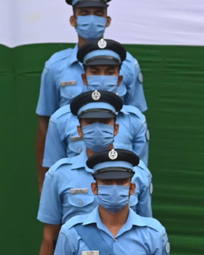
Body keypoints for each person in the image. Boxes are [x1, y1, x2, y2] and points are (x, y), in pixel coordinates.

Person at [35, 95, 152, 255]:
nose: (98, 128)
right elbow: (49, 236)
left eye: (105, 122)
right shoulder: (59, 174)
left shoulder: (139, 173)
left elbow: (146, 232)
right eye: (90, 122)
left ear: (116, 128)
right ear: (80, 130)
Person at [35, 0, 146, 180]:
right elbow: (45, 124)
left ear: (107, 19)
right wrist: (45, 180)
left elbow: (136, 118)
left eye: (98, 13)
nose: (92, 19)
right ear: (73, 19)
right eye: (85, 13)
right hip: (73, 174)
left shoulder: (128, 65)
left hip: (119, 172)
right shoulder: (55, 66)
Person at [42, 39, 149, 177]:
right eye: (95, 71)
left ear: (119, 79)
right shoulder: (61, 119)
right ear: (84, 78)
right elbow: (54, 175)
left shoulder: (135, 120)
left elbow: (140, 176)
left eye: (110, 72)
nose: (102, 78)